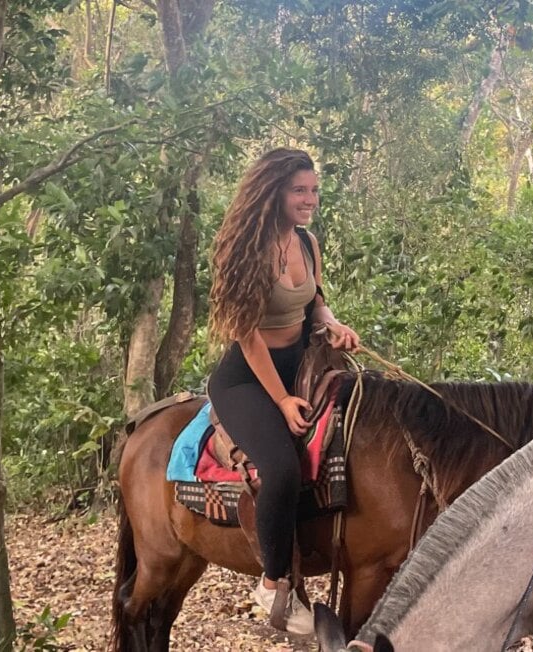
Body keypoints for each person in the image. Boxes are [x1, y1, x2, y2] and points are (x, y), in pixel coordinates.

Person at [207, 147, 360, 635]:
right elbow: (247, 336)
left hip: (302, 364)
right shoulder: (244, 251)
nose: (310, 199)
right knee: (280, 467)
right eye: (299, 190)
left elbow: (315, 300)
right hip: (248, 377)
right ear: (273, 192)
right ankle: (273, 586)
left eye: (313, 190)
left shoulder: (307, 242)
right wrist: (280, 400)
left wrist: (333, 324)